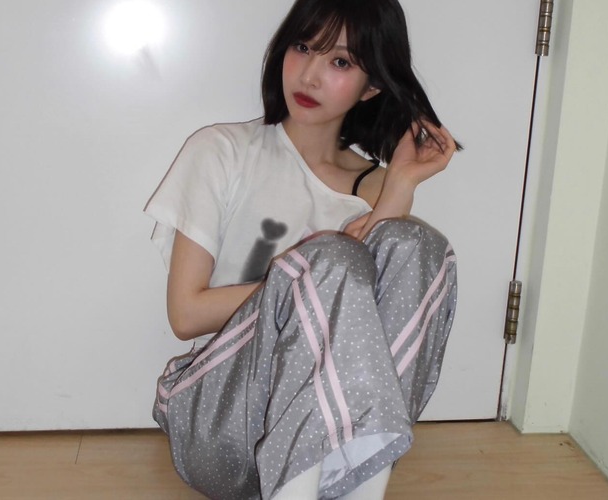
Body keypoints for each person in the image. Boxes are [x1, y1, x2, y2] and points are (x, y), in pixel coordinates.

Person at [145, 0, 460, 498]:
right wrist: (301, 278)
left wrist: (400, 183)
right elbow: (185, 315)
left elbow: (384, 322)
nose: (310, 75)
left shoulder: (373, 188)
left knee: (420, 246)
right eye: (303, 47)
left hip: (330, 450)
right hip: (221, 425)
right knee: (331, 259)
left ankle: (360, 487)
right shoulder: (223, 151)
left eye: (340, 61)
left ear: (372, 86)